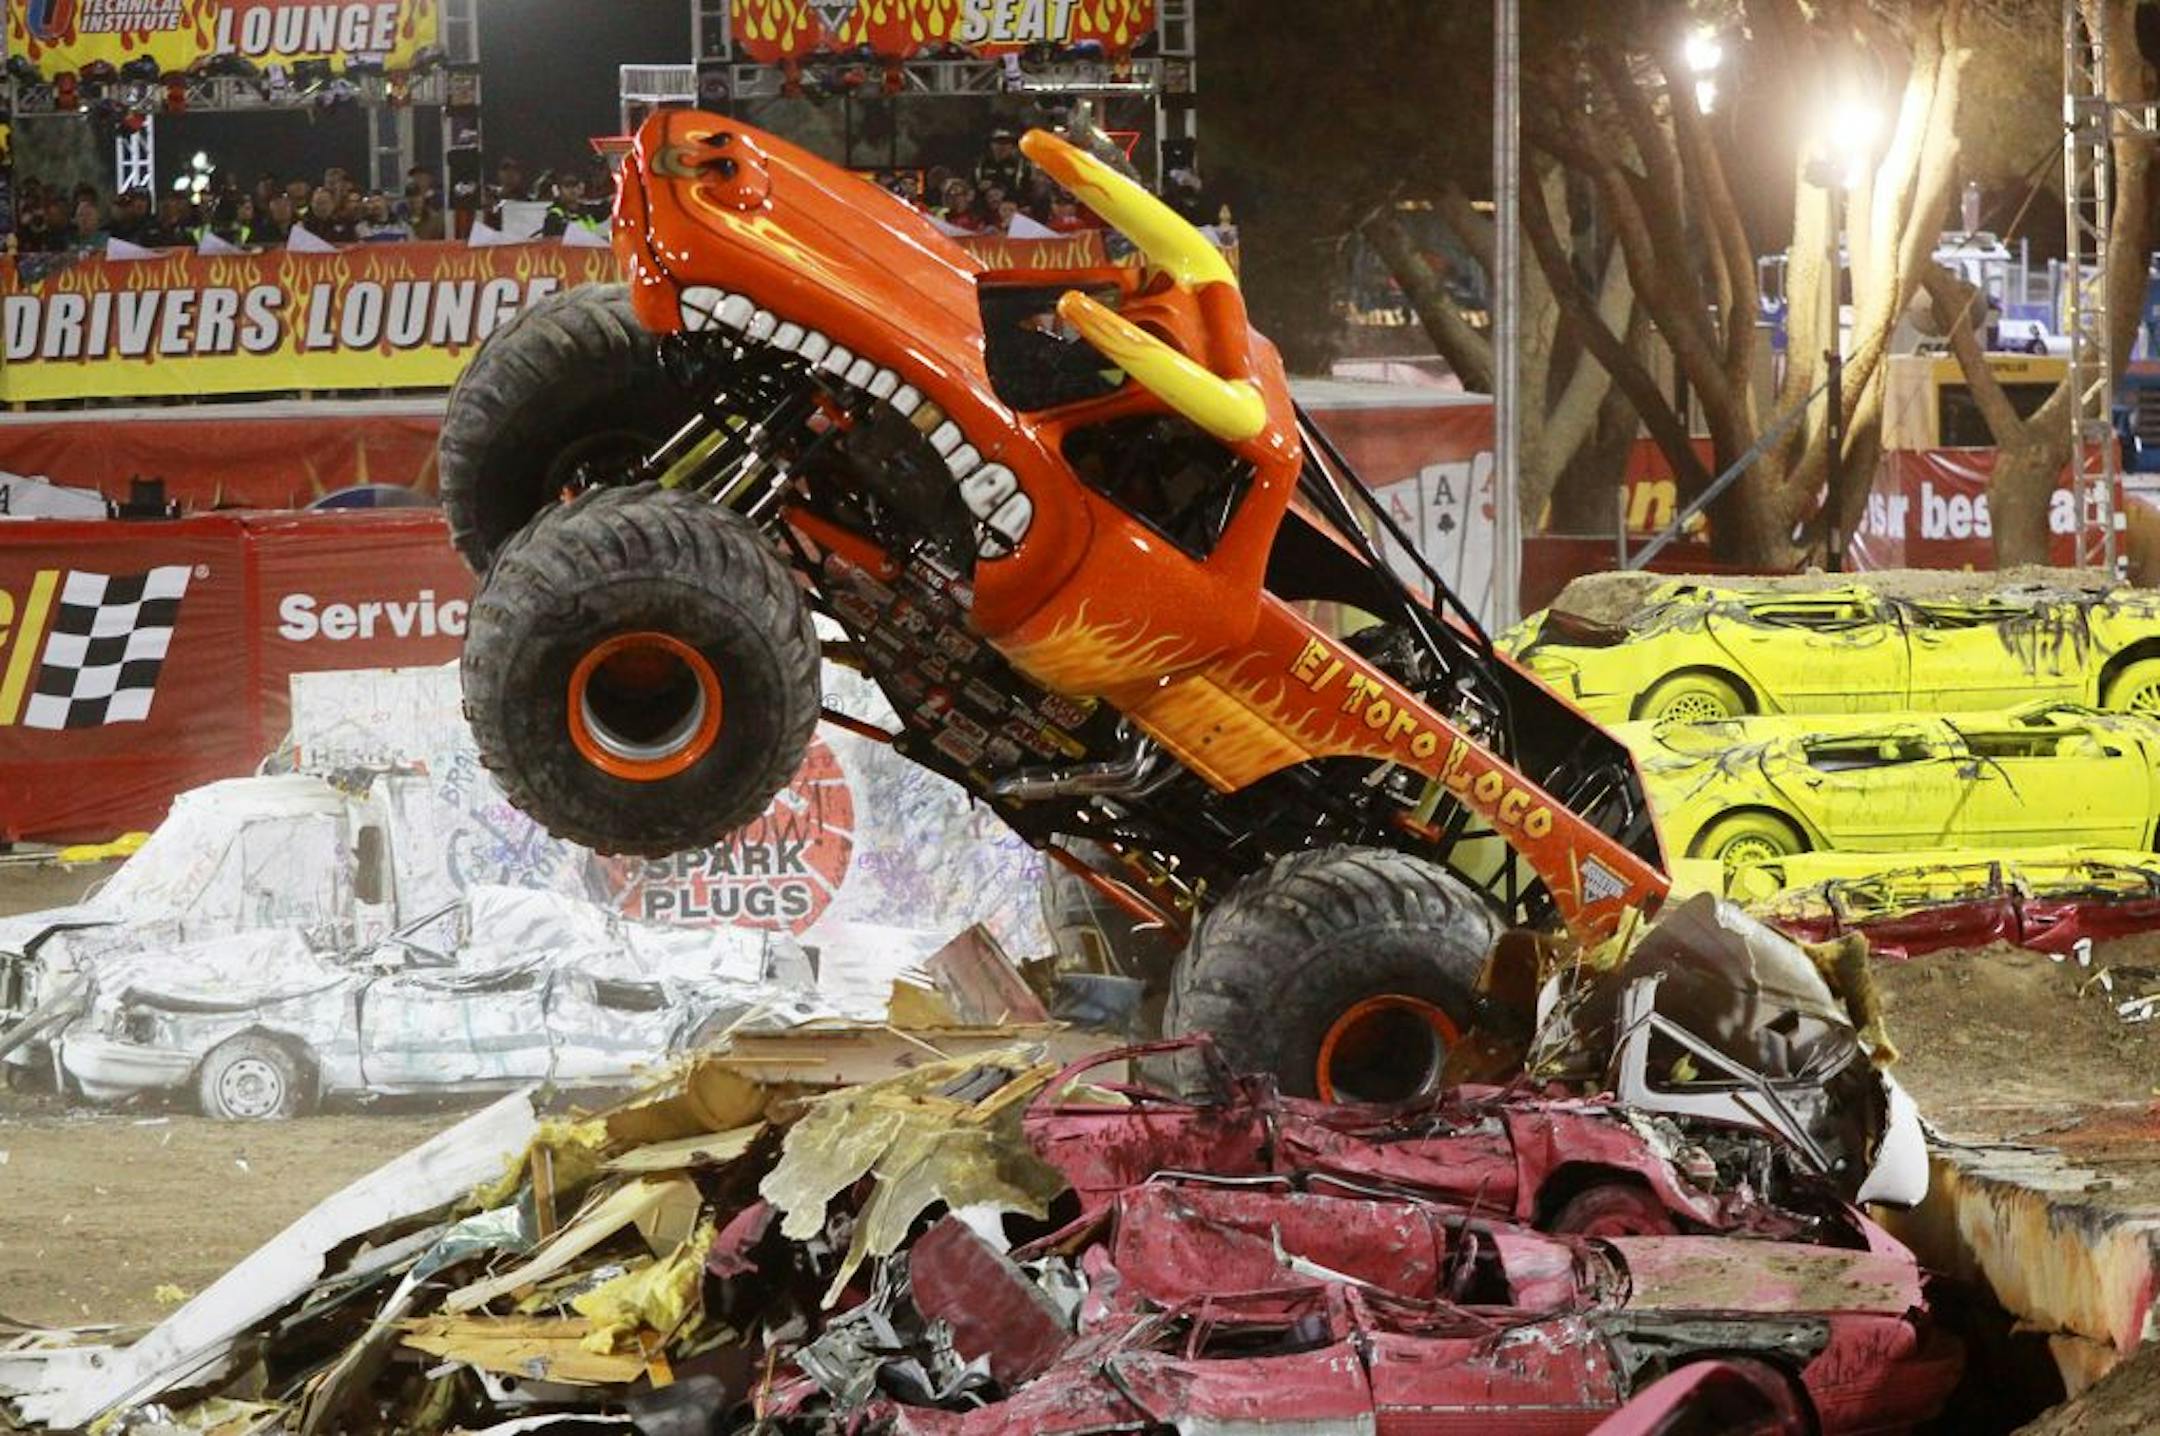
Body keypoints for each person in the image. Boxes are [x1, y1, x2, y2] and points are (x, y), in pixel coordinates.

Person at [972, 126, 1031, 196]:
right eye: (998, 142)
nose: (1002, 147)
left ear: (1012, 146)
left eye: (1006, 143)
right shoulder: (981, 164)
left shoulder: (1021, 166)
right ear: (991, 145)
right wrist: (979, 188)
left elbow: (1026, 190)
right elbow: (972, 186)